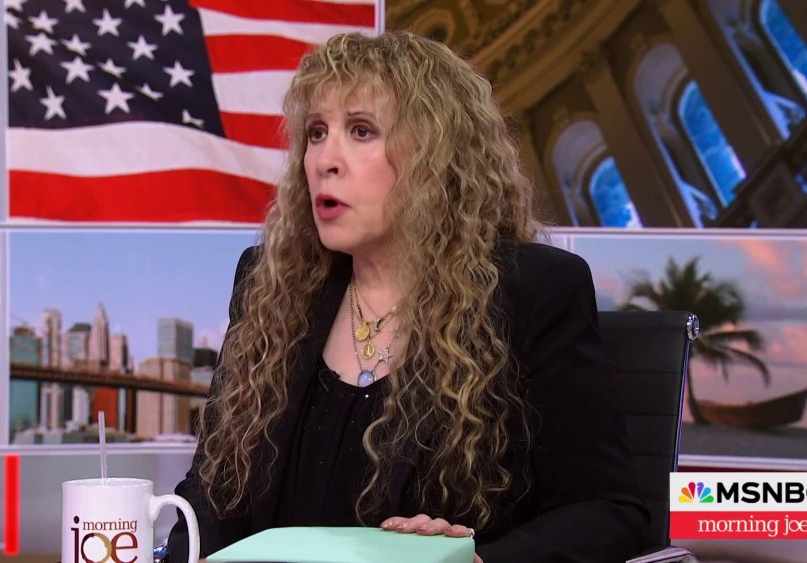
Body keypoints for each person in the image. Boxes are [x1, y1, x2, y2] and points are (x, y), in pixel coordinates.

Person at [166, 30, 649, 562]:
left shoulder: (533, 289)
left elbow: (607, 511)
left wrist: (474, 561)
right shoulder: (269, 285)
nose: (325, 159)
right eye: (317, 132)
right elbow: (211, 494)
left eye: (361, 130)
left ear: (435, 157)